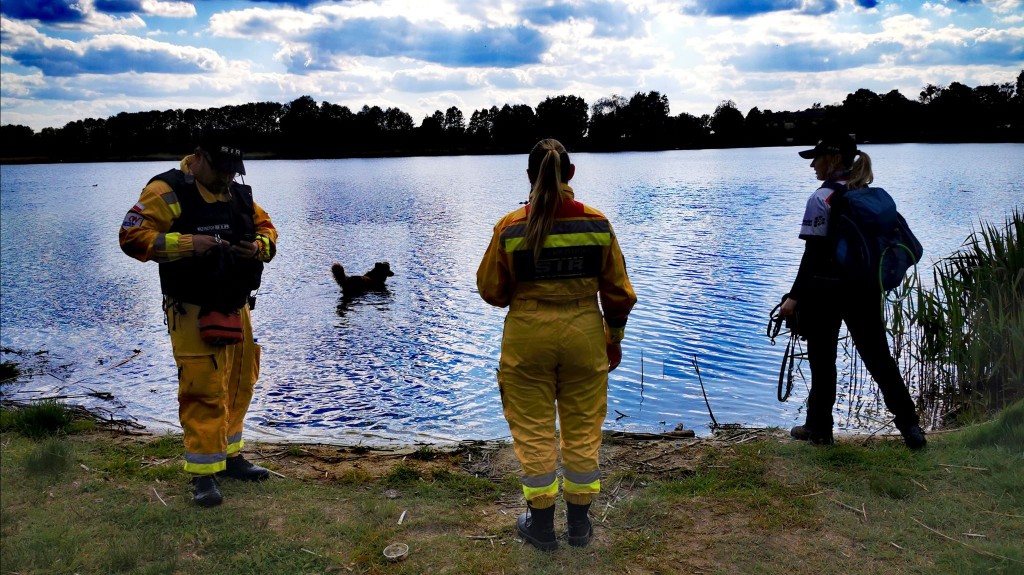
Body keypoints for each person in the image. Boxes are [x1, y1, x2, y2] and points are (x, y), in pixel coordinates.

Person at [477, 138, 637, 550]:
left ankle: (542, 526)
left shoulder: (511, 226)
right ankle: (580, 527)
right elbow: (618, 293)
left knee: (533, 432)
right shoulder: (597, 223)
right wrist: (613, 339)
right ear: (570, 174)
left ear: (530, 176)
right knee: (583, 430)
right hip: (585, 333)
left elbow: (492, 291)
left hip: (528, 337)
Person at [119, 130, 279, 506]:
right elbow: (131, 236)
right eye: (221, 168)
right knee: (203, 388)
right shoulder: (166, 191)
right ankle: (203, 476)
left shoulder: (239, 193)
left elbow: (269, 231)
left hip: (236, 304)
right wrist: (189, 243)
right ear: (199, 157)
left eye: (232, 170)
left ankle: (231, 457)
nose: (227, 177)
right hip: (191, 308)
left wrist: (257, 247)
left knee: (239, 382)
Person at [779, 132, 926, 449]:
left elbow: (813, 254)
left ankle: (819, 429)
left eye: (816, 159)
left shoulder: (822, 198)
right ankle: (911, 428)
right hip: (864, 289)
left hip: (825, 291)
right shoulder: (865, 193)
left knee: (823, 361)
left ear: (831, 159)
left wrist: (793, 297)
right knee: (880, 359)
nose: (812, 166)